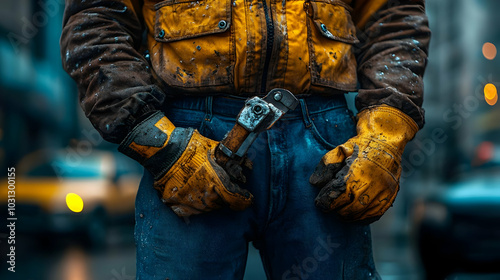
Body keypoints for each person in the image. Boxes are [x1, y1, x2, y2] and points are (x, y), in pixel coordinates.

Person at [61, 0, 430, 278]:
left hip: (324, 138)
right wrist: (160, 143)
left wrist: (384, 136)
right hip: (188, 136)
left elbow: (393, 18)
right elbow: (97, 19)